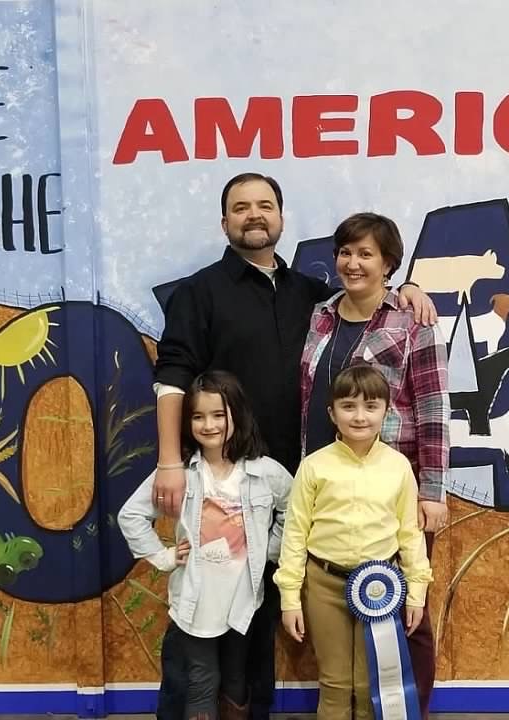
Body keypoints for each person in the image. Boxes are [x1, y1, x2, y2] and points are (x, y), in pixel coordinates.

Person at [151, 172, 437, 719]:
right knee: (205, 607)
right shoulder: (199, 292)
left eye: (265, 205)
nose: (253, 215)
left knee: (275, 606)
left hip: (305, 482)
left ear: (281, 218)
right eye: (241, 207)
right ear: (225, 222)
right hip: (228, 483)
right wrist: (170, 460)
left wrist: (409, 289)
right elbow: (171, 378)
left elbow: (371, 296)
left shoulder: (312, 294)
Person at [296, 212, 449, 715]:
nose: (353, 263)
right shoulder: (321, 315)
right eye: (346, 252)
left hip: (394, 490)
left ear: (389, 263)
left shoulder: (413, 322)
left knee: (408, 613)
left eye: (366, 254)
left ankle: (410, 709)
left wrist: (432, 491)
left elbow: (432, 407)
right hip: (329, 481)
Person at [119, 371, 293, 720]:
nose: (208, 425)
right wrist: (164, 556)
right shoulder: (180, 473)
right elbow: (131, 516)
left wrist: (269, 553)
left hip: (244, 601)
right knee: (202, 678)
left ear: (237, 415)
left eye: (218, 414)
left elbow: (294, 512)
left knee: (236, 679)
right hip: (195, 604)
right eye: (198, 416)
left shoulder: (265, 472)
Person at [275, 365, 432, 720]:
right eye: (348, 406)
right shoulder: (314, 467)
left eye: (370, 406)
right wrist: (290, 599)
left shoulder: (398, 467)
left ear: (386, 411)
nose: (359, 416)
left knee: (368, 685)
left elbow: (410, 533)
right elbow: (295, 534)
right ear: (332, 413)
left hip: (381, 588)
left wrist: (417, 593)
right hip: (323, 586)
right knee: (334, 683)